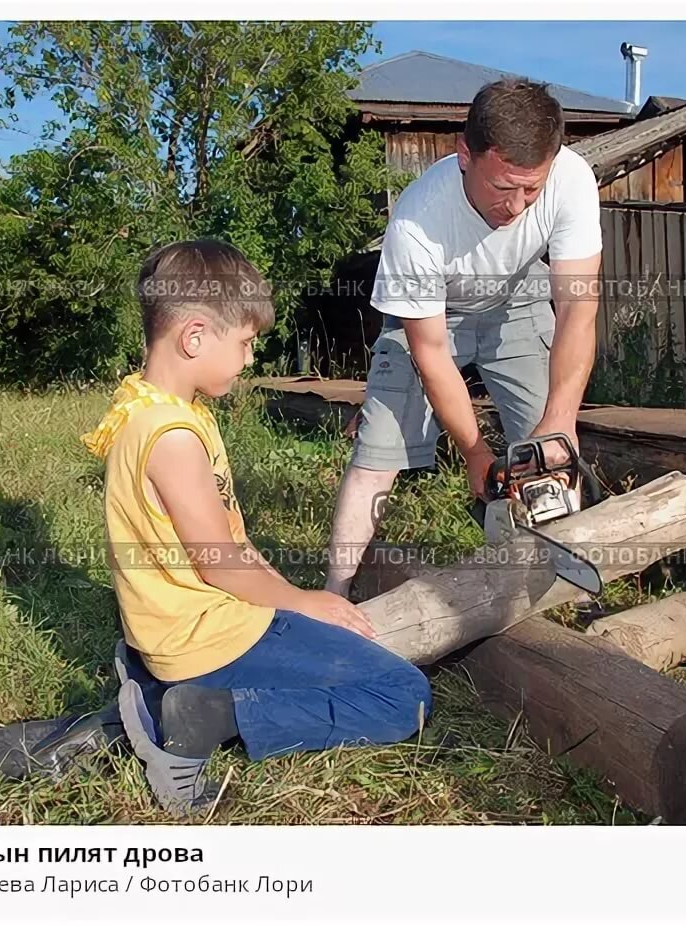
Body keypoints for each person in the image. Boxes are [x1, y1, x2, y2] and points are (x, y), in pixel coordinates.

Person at [77, 239, 432, 813]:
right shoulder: (172, 438)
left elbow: (230, 541)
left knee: (326, 639)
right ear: (194, 337)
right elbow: (219, 562)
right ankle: (210, 714)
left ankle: (154, 683)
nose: (248, 361)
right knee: (404, 695)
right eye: (244, 344)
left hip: (187, 629)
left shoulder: (156, 413)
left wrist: (291, 603)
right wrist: (301, 600)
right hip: (210, 638)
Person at [325, 78, 603, 599]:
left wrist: (559, 423)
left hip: (519, 300)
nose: (519, 206)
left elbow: (577, 311)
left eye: (532, 190)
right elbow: (430, 354)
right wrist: (476, 454)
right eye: (503, 188)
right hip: (432, 318)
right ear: (464, 155)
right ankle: (335, 591)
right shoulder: (416, 224)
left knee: (550, 452)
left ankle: (564, 580)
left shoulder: (572, 179)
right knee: (377, 453)